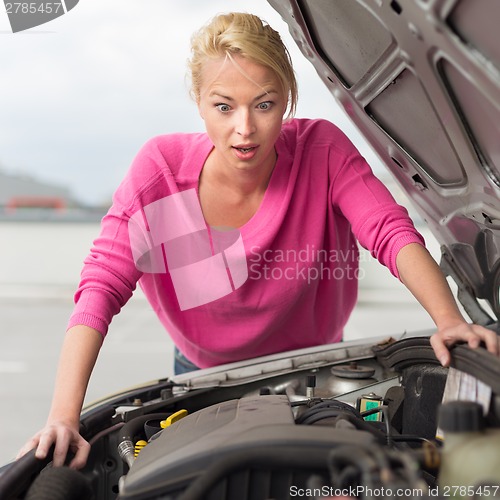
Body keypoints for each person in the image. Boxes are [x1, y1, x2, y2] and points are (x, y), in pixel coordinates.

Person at [17, 12, 498, 470]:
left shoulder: (321, 151)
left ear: (287, 100)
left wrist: (448, 320)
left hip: (320, 365)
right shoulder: (159, 173)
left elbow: (388, 230)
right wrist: (62, 416)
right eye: (223, 107)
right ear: (199, 102)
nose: (244, 129)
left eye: (264, 104)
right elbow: (101, 286)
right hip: (200, 373)